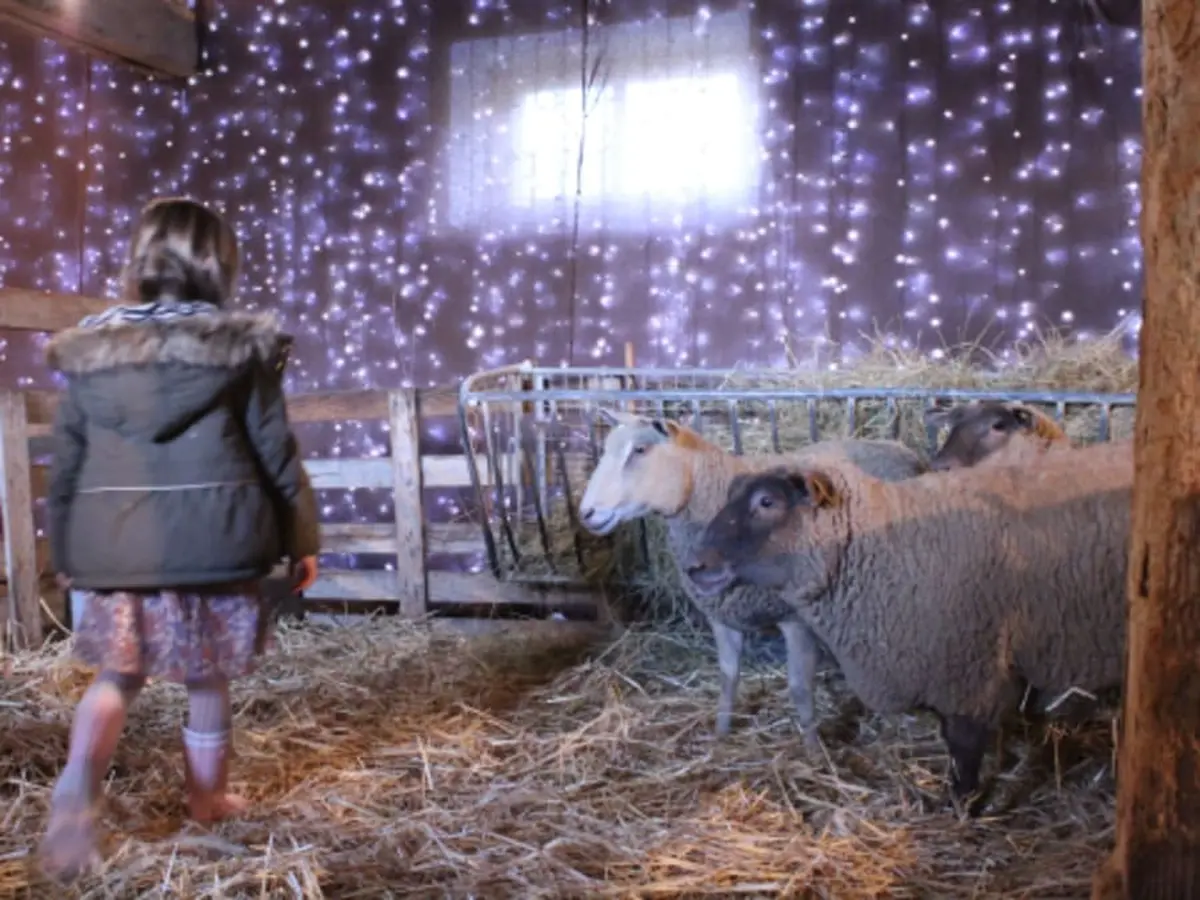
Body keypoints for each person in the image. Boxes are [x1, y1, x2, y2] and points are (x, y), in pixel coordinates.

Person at [38, 197, 320, 879]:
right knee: (205, 676)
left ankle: (77, 784)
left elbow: (68, 461)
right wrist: (300, 534)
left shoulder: (92, 352)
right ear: (217, 263)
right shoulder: (238, 348)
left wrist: (70, 551)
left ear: (142, 260)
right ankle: (206, 798)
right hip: (213, 542)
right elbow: (273, 451)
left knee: (118, 674)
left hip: (118, 547)